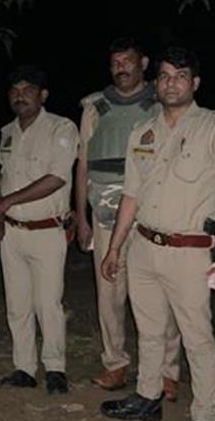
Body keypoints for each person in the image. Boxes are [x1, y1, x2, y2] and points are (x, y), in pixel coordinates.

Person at [100, 47, 215, 421]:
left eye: (180, 76)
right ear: (156, 82)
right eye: (164, 76)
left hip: (189, 252)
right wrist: (114, 248)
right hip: (144, 247)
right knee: (149, 330)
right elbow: (131, 195)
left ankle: (204, 419)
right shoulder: (143, 132)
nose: (171, 83)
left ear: (195, 83)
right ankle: (147, 397)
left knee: (196, 338)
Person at [75, 37, 182, 399]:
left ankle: (167, 371)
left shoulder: (162, 102)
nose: (122, 68)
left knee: (159, 294)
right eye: (116, 62)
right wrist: (81, 217)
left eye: (128, 61)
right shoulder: (94, 107)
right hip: (105, 213)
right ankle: (115, 363)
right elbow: (83, 165)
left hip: (151, 215)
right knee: (109, 294)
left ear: (144, 63)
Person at [0, 65, 80, 395]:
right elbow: (7, 178)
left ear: (43, 95)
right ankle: (24, 367)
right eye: (14, 91)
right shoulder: (7, 132)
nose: (20, 96)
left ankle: (55, 368)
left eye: (27, 90)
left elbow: (56, 178)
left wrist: (7, 200)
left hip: (46, 231)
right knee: (17, 303)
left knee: (48, 304)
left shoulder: (62, 128)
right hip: (12, 232)